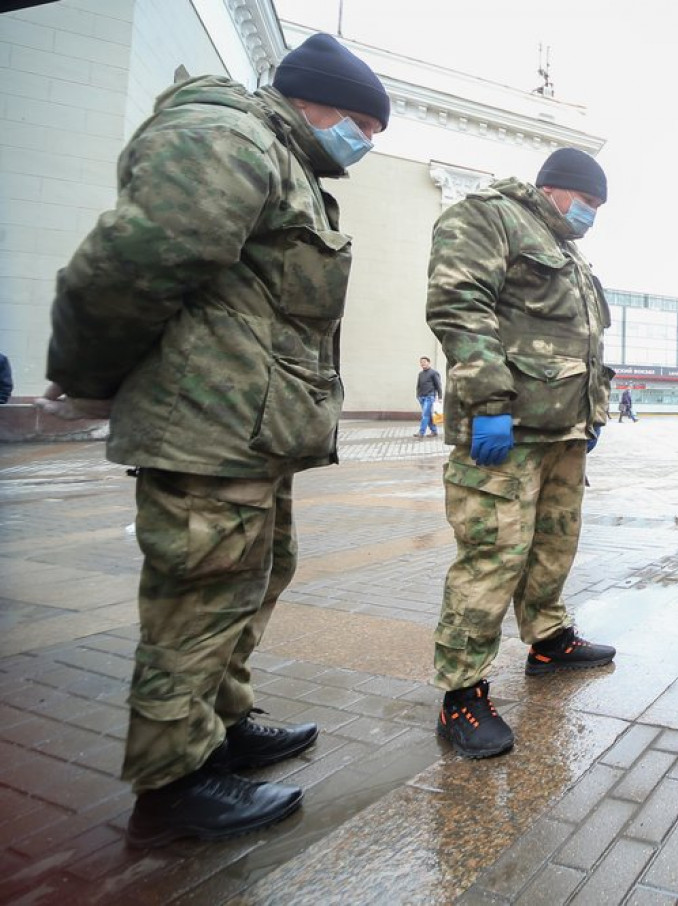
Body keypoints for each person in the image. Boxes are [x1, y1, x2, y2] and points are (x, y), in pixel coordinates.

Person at [36, 34, 390, 847]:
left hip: (250, 432)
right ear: (315, 103)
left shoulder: (281, 157)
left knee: (248, 583)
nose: (364, 146)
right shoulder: (228, 137)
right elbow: (133, 262)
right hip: (208, 430)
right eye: (362, 127)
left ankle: (220, 727)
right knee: (198, 600)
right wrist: (87, 373)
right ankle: (174, 786)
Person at [426, 147, 617, 759]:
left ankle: (549, 640)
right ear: (556, 188)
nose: (591, 214)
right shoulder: (489, 216)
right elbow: (459, 305)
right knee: (492, 555)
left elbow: (588, 346)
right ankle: (461, 693)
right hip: (507, 429)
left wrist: (594, 412)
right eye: (588, 201)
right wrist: (487, 403)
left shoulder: (570, 254)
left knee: (553, 545)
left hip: (563, 431)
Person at [414, 355, 442, 437]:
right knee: (428, 415)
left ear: (429, 362)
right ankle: (434, 431)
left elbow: (438, 385)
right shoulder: (420, 374)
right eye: (421, 362)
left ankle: (421, 432)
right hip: (421, 397)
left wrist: (440, 397)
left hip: (429, 397)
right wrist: (418, 395)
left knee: (424, 415)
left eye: (424, 362)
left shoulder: (434, 373)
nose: (423, 364)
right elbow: (418, 385)